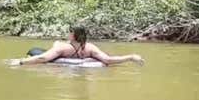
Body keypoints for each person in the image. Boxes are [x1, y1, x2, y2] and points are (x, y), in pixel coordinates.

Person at [10, 25, 144, 66]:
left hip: (61, 57)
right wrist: (131, 57)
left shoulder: (62, 47)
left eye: (69, 32)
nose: (67, 33)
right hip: (78, 57)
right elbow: (108, 60)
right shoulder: (90, 47)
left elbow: (43, 58)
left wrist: (21, 62)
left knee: (34, 50)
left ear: (73, 35)